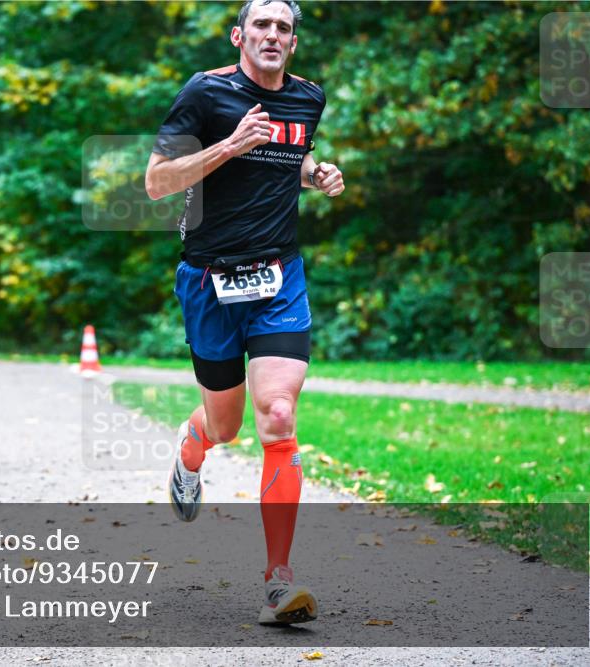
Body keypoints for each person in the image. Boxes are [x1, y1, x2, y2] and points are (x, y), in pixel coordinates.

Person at [145, 0, 344, 625]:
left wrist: (315, 173)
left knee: (279, 417)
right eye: (262, 25)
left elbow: (291, 154)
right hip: (209, 280)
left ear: (293, 42)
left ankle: (278, 582)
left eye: (284, 28)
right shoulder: (205, 95)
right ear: (240, 35)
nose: (273, 35)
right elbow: (156, 181)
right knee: (225, 425)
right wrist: (228, 146)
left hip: (279, 277)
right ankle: (192, 450)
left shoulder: (307, 99)